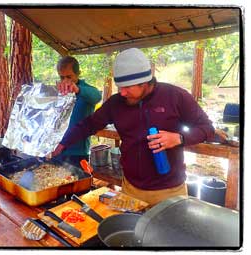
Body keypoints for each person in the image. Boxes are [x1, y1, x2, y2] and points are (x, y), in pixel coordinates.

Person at [52, 48, 215, 206]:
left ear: (145, 82)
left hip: (170, 191)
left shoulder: (175, 96)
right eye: (119, 87)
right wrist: (62, 144)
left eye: (127, 87)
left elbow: (207, 128)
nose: (122, 93)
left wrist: (179, 138)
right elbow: (88, 124)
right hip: (130, 189)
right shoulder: (116, 103)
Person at [54, 56, 102, 166]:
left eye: (69, 76)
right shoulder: (60, 91)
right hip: (57, 149)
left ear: (78, 73)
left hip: (78, 152)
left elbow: (97, 96)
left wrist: (78, 90)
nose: (65, 81)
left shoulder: (85, 90)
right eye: (62, 77)